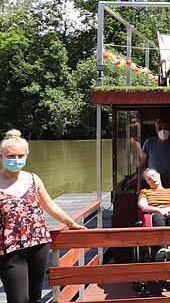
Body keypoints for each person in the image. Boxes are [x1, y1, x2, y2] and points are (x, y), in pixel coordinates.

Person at [0, 129, 85, 303]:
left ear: (27, 155)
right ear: (1, 156)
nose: (16, 160)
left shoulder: (33, 179)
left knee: (34, 297)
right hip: (9, 249)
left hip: (38, 244)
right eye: (11, 156)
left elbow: (50, 205)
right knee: (18, 299)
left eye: (20, 156)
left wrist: (71, 223)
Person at [138, 167, 170, 258]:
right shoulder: (145, 192)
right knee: (157, 217)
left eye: (153, 175)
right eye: (149, 178)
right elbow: (143, 206)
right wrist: (159, 210)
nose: (152, 179)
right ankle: (163, 247)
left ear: (158, 175)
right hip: (156, 213)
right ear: (147, 182)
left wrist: (167, 210)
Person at [138, 118, 170, 197]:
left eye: (166, 128)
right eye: (160, 128)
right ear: (156, 130)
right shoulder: (149, 143)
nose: (163, 130)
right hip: (151, 185)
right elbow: (142, 164)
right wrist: (139, 186)